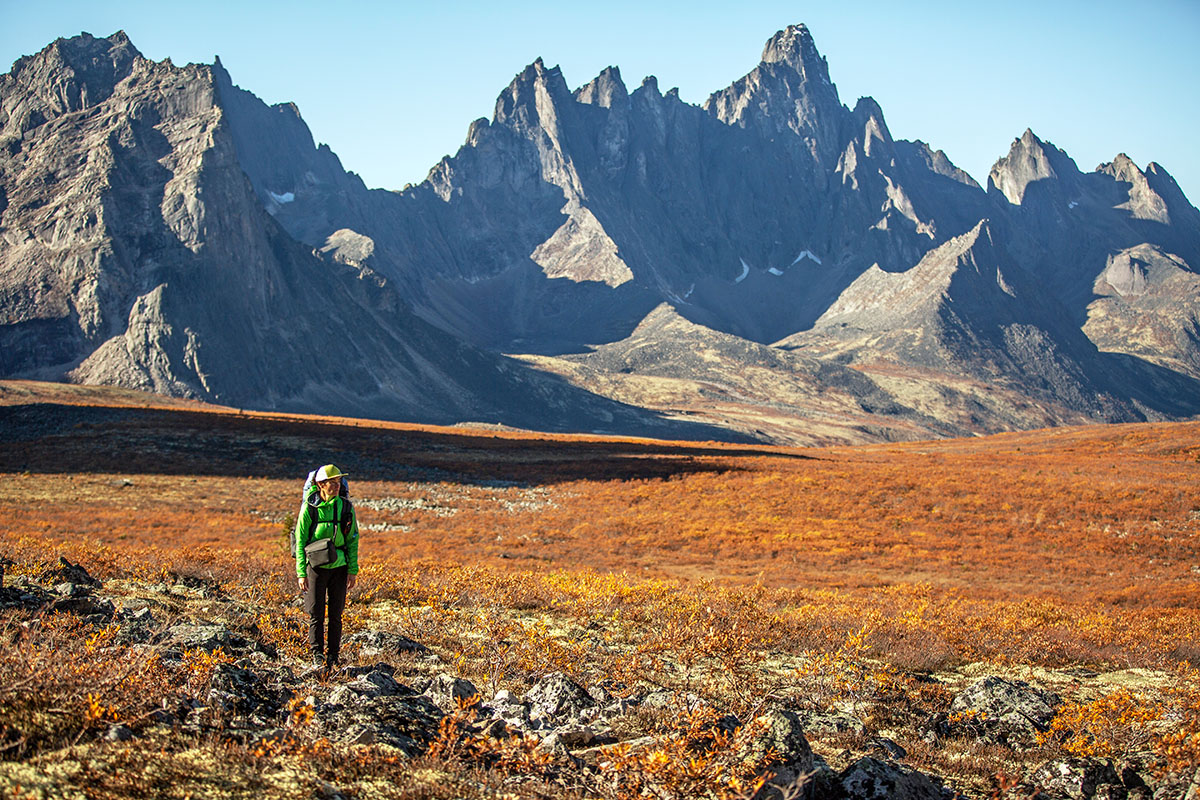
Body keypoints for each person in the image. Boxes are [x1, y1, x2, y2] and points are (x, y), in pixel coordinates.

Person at [295, 464, 359, 670]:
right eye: (332, 482)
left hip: (339, 568)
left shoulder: (346, 508)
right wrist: (301, 573)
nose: (337, 486)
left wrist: (352, 570)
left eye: (339, 482)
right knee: (316, 613)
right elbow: (300, 540)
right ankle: (317, 655)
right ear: (321, 484)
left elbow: (352, 540)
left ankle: (333, 656)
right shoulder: (309, 508)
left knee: (335, 614)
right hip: (315, 567)